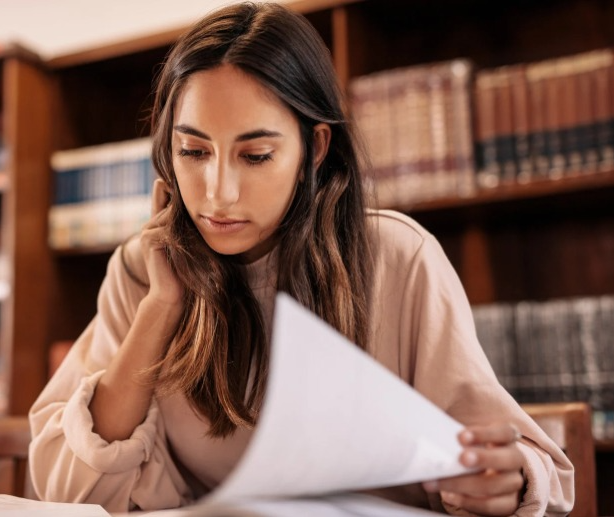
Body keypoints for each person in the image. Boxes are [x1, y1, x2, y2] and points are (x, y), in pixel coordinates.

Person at [29, 2, 573, 515]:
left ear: (313, 149)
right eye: (192, 151)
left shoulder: (397, 259)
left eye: (256, 156)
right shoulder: (144, 269)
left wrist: (501, 481)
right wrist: (161, 307)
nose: (217, 193)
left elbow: (517, 464)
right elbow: (70, 488)